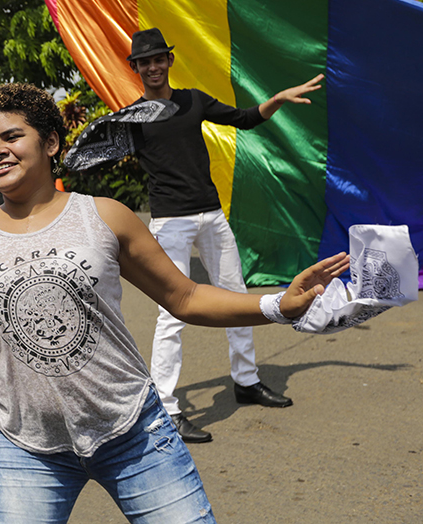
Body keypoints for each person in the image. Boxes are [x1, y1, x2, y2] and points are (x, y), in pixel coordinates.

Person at [0, 83, 349, 524]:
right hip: (25, 447)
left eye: (11, 136)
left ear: (49, 143)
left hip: (134, 432)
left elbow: (188, 297)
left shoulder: (103, 216)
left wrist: (277, 305)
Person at [127, 28, 325, 442]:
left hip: (212, 216)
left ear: (168, 61)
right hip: (170, 223)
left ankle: (246, 381)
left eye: (159, 58)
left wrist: (277, 99)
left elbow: (245, 119)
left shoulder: (193, 100)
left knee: (237, 297)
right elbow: (95, 157)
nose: (153, 66)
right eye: (144, 62)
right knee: (172, 314)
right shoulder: (132, 119)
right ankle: (166, 407)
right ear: (136, 68)